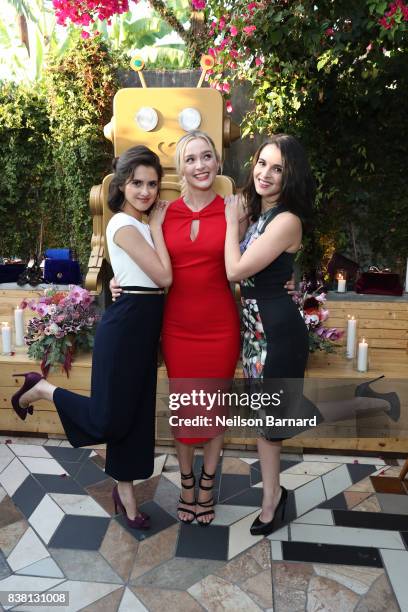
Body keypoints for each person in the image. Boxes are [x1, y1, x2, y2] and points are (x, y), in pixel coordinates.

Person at [111, 131, 297, 526]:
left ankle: (208, 487)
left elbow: (265, 253)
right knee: (185, 412)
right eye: (192, 158)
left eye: (207, 157)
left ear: (218, 163)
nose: (201, 165)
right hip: (177, 326)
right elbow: (135, 257)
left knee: (213, 411)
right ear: (180, 168)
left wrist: (289, 280)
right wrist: (119, 283)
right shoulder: (159, 213)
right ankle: (187, 484)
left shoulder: (238, 210)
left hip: (221, 326)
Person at [224, 134, 400, 537]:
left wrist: (231, 228)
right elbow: (264, 270)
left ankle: (272, 502)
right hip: (257, 331)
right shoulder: (258, 213)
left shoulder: (286, 220)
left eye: (277, 168)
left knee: (274, 423)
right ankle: (363, 401)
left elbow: (235, 271)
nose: (265, 174)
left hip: (276, 335)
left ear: (291, 177)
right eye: (261, 164)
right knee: (271, 423)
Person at [11, 145, 172, 530]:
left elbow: (144, 277)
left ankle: (127, 495)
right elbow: (164, 277)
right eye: (137, 183)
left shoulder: (140, 225)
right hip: (125, 328)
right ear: (122, 183)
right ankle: (43, 389)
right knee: (107, 421)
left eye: (152, 184)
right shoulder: (122, 224)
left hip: (144, 326)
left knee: (134, 420)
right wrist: (157, 230)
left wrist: (151, 237)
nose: (145, 191)